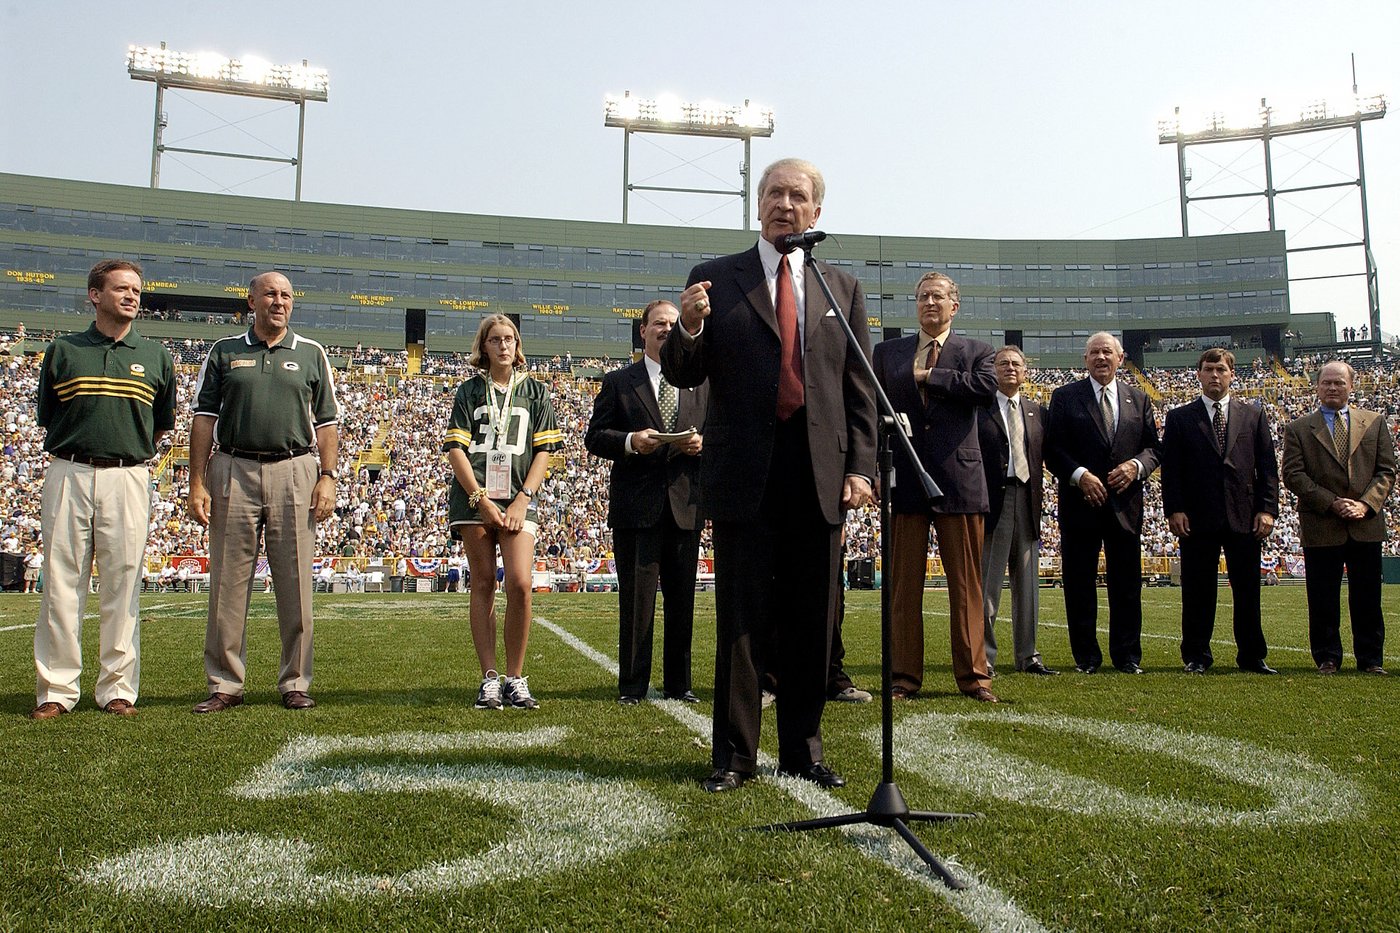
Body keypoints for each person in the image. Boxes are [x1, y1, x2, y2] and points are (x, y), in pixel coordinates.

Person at [663, 157, 877, 792]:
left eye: (799, 195)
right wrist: (691, 326)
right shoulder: (715, 278)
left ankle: (803, 752)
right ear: (758, 204)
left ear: (817, 211)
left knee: (814, 618)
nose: (786, 203)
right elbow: (683, 372)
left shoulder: (842, 287)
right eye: (775, 193)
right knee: (742, 620)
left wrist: (862, 467)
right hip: (743, 475)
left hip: (819, 475)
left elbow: (860, 388)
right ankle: (733, 757)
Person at [29, 259, 176, 720]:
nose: (132, 296)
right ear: (95, 294)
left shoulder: (156, 356)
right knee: (60, 583)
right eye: (121, 289)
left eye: (137, 290)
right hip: (69, 470)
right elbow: (49, 414)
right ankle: (56, 690)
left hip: (128, 475)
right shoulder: (63, 351)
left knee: (124, 582)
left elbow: (160, 426)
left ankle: (118, 689)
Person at [187, 271, 340, 713]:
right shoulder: (224, 351)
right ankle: (225, 683)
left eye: (287, 295)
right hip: (232, 466)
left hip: (295, 468)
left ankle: (295, 680)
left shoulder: (312, 353)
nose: (279, 301)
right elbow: (203, 418)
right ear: (250, 300)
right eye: (270, 293)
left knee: (296, 583)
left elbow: (328, 422)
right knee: (227, 584)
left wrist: (327, 476)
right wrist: (197, 482)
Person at [873, 272, 999, 702]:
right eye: (923, 296)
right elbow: (873, 412)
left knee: (966, 587)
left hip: (959, 481)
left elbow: (984, 388)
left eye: (938, 296)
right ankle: (903, 678)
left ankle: (974, 678)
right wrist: (874, 467)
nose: (930, 302)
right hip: (904, 480)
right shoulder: (887, 353)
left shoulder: (978, 352)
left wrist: (929, 377)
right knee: (903, 587)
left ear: (954, 305)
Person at [585, 299, 707, 705]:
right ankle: (633, 686)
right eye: (659, 323)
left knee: (682, 602)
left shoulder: (700, 382)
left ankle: (679, 684)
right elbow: (594, 437)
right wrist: (630, 442)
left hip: (686, 506)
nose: (667, 329)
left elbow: (720, 436)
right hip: (637, 510)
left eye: (674, 323)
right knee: (636, 604)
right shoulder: (620, 382)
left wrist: (702, 445)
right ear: (642, 331)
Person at [444, 314, 561, 710]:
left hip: (518, 496)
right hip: (474, 498)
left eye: (510, 338)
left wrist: (523, 498)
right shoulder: (468, 391)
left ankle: (516, 676)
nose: (504, 346)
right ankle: (490, 677)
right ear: (484, 346)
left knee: (521, 583)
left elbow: (544, 451)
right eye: (495, 339)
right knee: (481, 583)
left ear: (518, 343)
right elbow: (456, 449)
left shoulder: (536, 392)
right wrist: (480, 498)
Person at [1045, 332, 1160, 674]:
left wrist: (1135, 466)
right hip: (1080, 505)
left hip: (1125, 507)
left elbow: (1154, 448)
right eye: (1094, 352)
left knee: (1126, 585)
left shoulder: (1139, 399)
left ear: (1120, 358)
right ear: (1085, 360)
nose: (1100, 357)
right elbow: (1052, 450)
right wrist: (1080, 475)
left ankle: (1127, 657)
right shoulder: (1065, 398)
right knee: (1080, 584)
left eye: (1106, 352)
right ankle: (1086, 657)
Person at [1161, 348, 1279, 674]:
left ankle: (1252, 656)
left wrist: (1268, 509)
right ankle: (1197, 656)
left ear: (1232, 374)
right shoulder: (1180, 417)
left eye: (1221, 369)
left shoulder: (1253, 415)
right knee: (1198, 590)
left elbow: (1267, 468)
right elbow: (1171, 470)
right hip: (1197, 517)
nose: (1215, 375)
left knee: (1248, 590)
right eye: (1209, 369)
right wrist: (1175, 509)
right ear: (1197, 374)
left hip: (1244, 514)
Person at [1281, 360, 1395, 675]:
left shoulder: (1374, 423)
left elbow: (1387, 470)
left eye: (1339, 383)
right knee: (1322, 597)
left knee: (1368, 597)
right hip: (1321, 523)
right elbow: (1293, 475)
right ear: (1317, 387)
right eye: (1327, 383)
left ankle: (1370, 659)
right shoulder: (1299, 428)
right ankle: (1327, 657)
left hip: (1365, 524)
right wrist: (1331, 503)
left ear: (1351, 386)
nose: (1333, 388)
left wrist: (1365, 505)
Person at [977, 345, 1057, 676]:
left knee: (1028, 587)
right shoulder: (979, 410)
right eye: (1003, 363)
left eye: (1016, 364)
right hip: (994, 501)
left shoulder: (1037, 411)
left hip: (1028, 499)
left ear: (1025, 372)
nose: (1010, 368)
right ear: (992, 370)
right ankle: (984, 657)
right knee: (988, 587)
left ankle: (1028, 656)